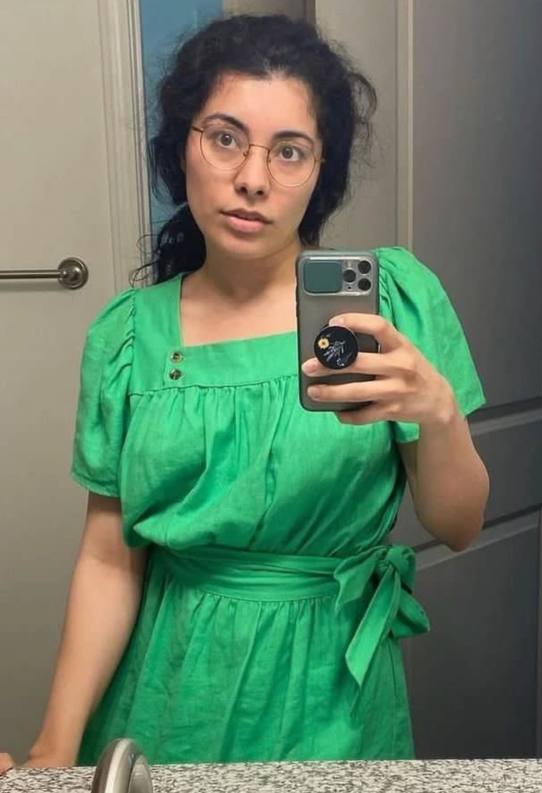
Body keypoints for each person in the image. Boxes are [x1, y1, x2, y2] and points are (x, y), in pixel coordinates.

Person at [0, 13, 489, 770]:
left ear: (320, 171)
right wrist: (53, 748)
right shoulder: (127, 337)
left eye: (289, 151)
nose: (253, 179)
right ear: (182, 146)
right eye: (226, 138)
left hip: (335, 695)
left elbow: (457, 526)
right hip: (169, 690)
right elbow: (107, 558)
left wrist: (440, 412)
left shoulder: (394, 302)